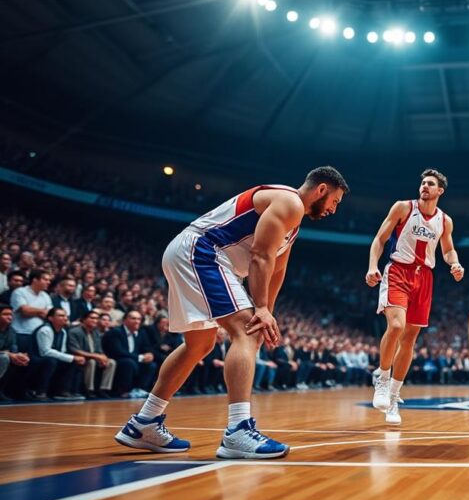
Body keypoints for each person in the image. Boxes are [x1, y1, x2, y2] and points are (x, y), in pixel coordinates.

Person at [114, 166, 348, 459]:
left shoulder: (294, 220)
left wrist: (268, 313)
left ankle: (144, 422)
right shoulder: (290, 202)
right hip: (203, 252)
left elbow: (278, 268)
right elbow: (260, 256)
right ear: (322, 189)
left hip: (194, 254)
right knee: (245, 335)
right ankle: (238, 431)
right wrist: (259, 309)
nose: (334, 210)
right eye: (335, 202)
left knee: (200, 345)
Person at [367, 169, 464, 425]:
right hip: (398, 271)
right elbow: (379, 238)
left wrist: (455, 264)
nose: (424, 186)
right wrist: (371, 266)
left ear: (440, 191)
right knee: (396, 325)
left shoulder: (445, 221)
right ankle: (383, 378)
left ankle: (394, 398)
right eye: (422, 182)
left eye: (430, 184)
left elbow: (449, 249)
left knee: (409, 339)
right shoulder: (403, 208)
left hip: (425, 278)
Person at [67, 310, 117, 398]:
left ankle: (103, 389)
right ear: (84, 320)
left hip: (93, 357)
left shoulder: (95, 332)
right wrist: (97, 356)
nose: (95, 320)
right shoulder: (75, 331)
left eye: (97, 318)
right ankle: (89, 390)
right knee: (91, 362)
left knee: (111, 362)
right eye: (92, 318)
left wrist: (103, 357)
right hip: (80, 357)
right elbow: (74, 349)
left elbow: (99, 349)